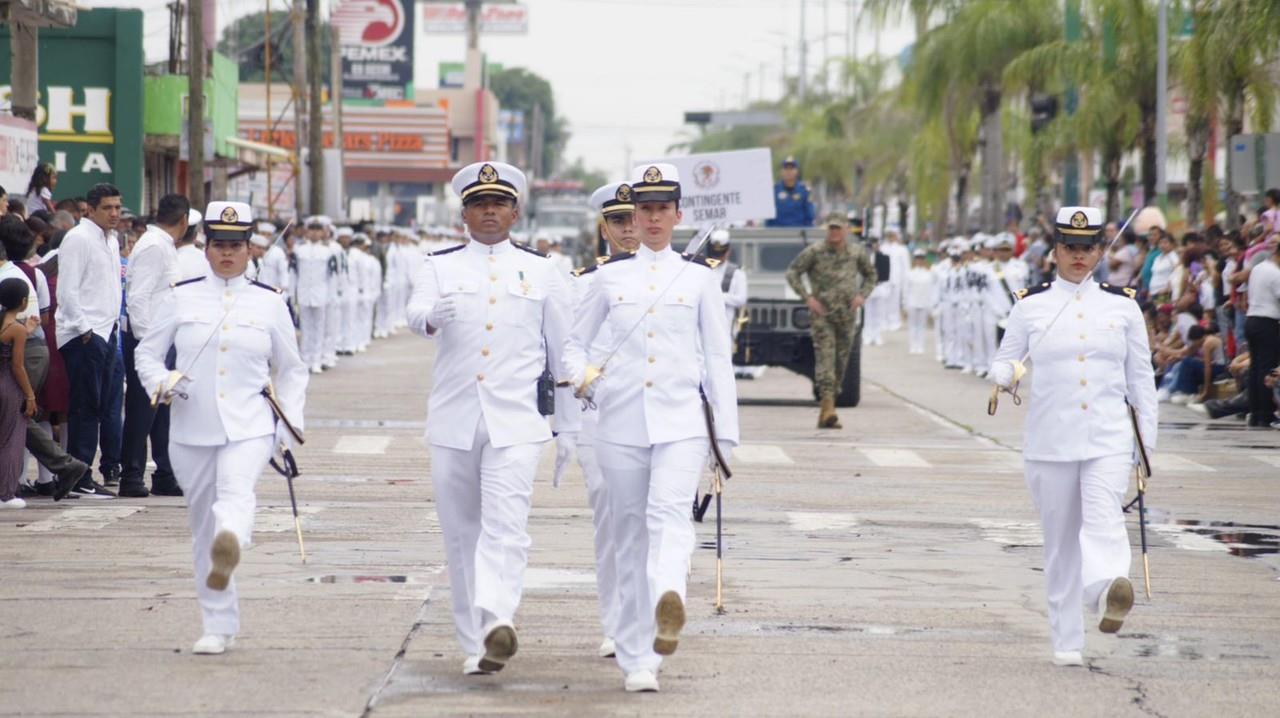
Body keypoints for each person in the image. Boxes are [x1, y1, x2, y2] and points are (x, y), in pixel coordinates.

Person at [564, 163, 738, 693]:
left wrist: (724, 439)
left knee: (669, 514)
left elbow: (717, 358)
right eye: (646, 210)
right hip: (619, 422)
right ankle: (638, 657)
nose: (655, 218)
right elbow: (573, 344)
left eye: (664, 209)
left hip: (681, 421)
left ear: (679, 215)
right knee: (630, 530)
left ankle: (670, 599)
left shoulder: (700, 279)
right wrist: (581, 376)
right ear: (633, 219)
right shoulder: (606, 279)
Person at [406, 161, 579, 678]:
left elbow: (563, 348)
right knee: (462, 533)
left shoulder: (545, 270)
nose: (489, 212)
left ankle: (498, 619)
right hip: (454, 418)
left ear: (515, 211)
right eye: (479, 204)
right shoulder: (437, 265)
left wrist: (569, 423)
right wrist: (434, 315)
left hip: (516, 421)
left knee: (506, 527)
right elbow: (415, 314)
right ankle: (474, 638)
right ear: (463, 213)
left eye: (498, 203)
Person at [136, 201, 307, 655]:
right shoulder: (180, 295)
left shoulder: (269, 302)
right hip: (190, 426)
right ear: (205, 247)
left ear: (249, 250)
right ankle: (218, 623)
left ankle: (233, 535)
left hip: (250, 423)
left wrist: (289, 425)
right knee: (201, 529)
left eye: (236, 246)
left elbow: (291, 369)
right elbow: (147, 353)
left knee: (234, 496)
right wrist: (160, 381)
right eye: (219, 245)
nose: (227, 254)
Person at [989, 206, 1157, 667]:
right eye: (1070, 248)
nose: (1079, 256)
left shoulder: (1123, 307)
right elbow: (1005, 358)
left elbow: (1141, 382)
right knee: (1061, 541)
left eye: (1088, 248)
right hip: (1050, 441)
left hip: (1107, 438)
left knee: (1104, 519)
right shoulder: (1031, 305)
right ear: (1055, 252)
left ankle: (1107, 590)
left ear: (1101, 251)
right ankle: (1067, 639)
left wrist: (1146, 447)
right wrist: (1005, 375)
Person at [564, 180, 639, 661]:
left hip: (659, 416)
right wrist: (587, 386)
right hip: (601, 414)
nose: (629, 229)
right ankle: (617, 624)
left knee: (654, 520)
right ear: (603, 227)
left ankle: (647, 614)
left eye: (636, 217)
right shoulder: (586, 282)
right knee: (611, 522)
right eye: (618, 221)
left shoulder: (683, 277)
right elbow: (570, 350)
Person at [120, 196, 193, 498]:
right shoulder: (154, 246)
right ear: (185, 221)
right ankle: (131, 477)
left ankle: (164, 474)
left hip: (161, 340)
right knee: (142, 411)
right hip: (147, 340)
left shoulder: (163, 245)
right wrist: (148, 345)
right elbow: (138, 297)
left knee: (162, 411)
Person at [55, 183, 124, 499]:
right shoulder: (78, 239)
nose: (114, 214)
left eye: (117, 208)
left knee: (100, 406)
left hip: (107, 331)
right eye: (107, 208)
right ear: (91, 209)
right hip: (84, 334)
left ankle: (83, 474)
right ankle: (79, 477)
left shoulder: (111, 240)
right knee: (85, 407)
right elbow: (67, 292)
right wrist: (85, 331)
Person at [786, 212, 877, 428]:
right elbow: (793, 272)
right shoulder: (815, 252)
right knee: (826, 360)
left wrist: (861, 295)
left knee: (841, 362)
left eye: (838, 228)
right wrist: (807, 298)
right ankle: (827, 407)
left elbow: (871, 275)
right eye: (831, 228)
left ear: (846, 230)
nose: (834, 232)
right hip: (823, 316)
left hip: (846, 316)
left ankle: (829, 406)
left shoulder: (856, 253)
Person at [0, 279, 38, 509]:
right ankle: (5, 493)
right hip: (8, 387)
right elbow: (17, 366)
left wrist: (28, 330)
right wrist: (30, 395)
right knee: (11, 439)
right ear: (23, 302)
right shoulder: (16, 329)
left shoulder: (10, 326)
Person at [1243, 239, 1280, 427]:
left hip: (1251, 319)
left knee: (1255, 368)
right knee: (1266, 368)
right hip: (1267, 322)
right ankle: (1265, 413)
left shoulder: (1258, 268)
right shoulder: (1276, 273)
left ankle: (1254, 412)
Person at [293, 218, 331, 373]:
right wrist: (292, 293)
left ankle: (316, 359)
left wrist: (331, 295)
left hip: (321, 293)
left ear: (322, 233)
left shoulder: (328, 252)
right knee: (306, 328)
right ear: (307, 232)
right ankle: (305, 359)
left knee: (319, 328)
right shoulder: (299, 250)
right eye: (311, 229)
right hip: (304, 292)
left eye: (318, 230)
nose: (314, 233)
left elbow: (331, 276)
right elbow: (294, 273)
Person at [706, 229, 748, 349]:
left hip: (726, 326)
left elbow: (741, 299)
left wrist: (717, 296)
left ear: (728, 251)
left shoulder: (737, 273)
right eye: (715, 254)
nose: (718, 257)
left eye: (721, 254)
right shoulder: (704, 269)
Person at [765, 156, 815, 227]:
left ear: (797, 171)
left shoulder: (805, 191)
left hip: (799, 234)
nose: (788, 171)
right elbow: (768, 218)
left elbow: (810, 216)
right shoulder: (774, 191)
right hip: (777, 234)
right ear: (781, 171)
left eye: (791, 168)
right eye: (786, 168)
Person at [904, 249, 934, 355]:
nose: (919, 261)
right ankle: (913, 345)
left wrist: (931, 305)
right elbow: (906, 289)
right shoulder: (910, 273)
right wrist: (905, 304)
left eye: (921, 259)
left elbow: (931, 290)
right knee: (912, 325)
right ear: (915, 260)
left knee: (922, 326)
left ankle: (920, 345)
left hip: (924, 302)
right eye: (918, 259)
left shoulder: (929, 274)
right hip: (912, 301)